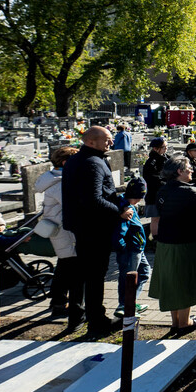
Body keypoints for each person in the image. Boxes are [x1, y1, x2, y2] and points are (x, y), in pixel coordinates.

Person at [62, 126, 134, 336]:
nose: (111, 143)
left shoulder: (78, 159)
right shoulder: (92, 163)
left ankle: (82, 316)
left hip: (82, 226)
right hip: (93, 227)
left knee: (84, 273)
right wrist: (118, 212)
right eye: (107, 140)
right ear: (91, 142)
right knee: (94, 275)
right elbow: (92, 199)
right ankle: (97, 321)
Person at [148, 156, 196, 333]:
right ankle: (185, 323)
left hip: (165, 243)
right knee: (186, 283)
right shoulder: (190, 191)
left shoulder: (163, 190)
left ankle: (175, 322)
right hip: (186, 244)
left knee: (173, 284)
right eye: (188, 168)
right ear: (179, 171)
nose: (192, 170)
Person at [35, 145, 79, 317]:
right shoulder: (59, 183)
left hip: (61, 227)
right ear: (65, 162)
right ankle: (59, 303)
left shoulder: (56, 178)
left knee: (65, 264)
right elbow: (72, 205)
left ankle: (58, 300)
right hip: (64, 229)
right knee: (68, 265)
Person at [113, 177, 150, 317]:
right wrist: (122, 247)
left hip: (138, 248)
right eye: (139, 197)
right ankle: (124, 305)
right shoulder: (127, 210)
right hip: (131, 249)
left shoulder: (126, 204)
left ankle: (131, 302)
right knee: (128, 276)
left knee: (144, 272)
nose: (140, 201)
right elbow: (120, 232)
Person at [141, 137, 167, 223]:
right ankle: (156, 236)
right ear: (156, 148)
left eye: (166, 146)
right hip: (154, 194)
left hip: (164, 192)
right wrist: (165, 182)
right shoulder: (151, 162)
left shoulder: (165, 158)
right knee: (155, 218)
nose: (166, 149)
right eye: (164, 147)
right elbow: (152, 178)